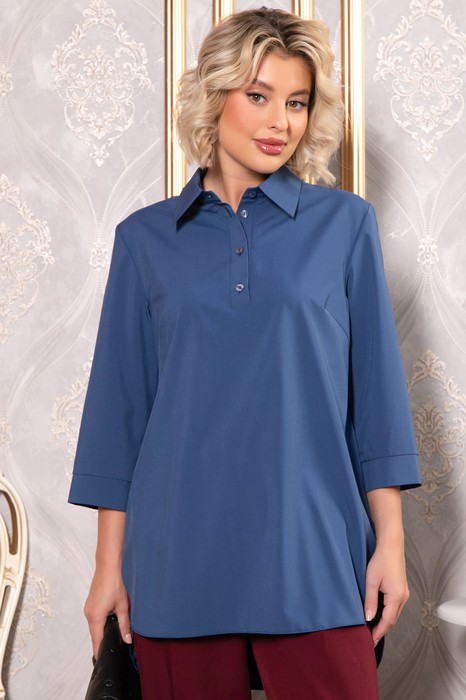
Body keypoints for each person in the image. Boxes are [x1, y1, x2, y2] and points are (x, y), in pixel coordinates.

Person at [69, 8, 421, 700]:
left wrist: (391, 543)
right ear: (215, 95)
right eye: (258, 96)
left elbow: (376, 403)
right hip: (177, 563)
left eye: (297, 102)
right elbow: (120, 418)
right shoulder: (144, 240)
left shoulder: (345, 226)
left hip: (314, 554)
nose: (279, 122)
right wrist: (108, 569)